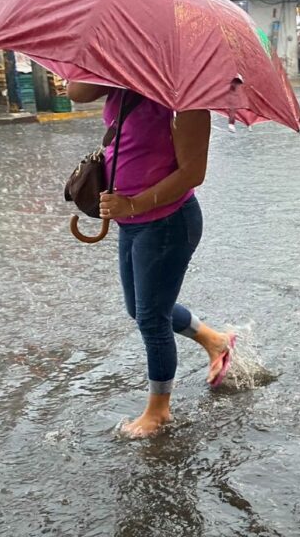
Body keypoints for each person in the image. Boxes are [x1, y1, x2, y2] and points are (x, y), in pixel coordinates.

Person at [67, 82, 238, 439]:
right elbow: (76, 93)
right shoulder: (125, 81)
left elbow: (193, 173)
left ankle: (159, 410)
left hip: (167, 223)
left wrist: (133, 204)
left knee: (150, 318)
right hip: (131, 224)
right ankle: (215, 340)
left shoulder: (186, 99)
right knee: (139, 309)